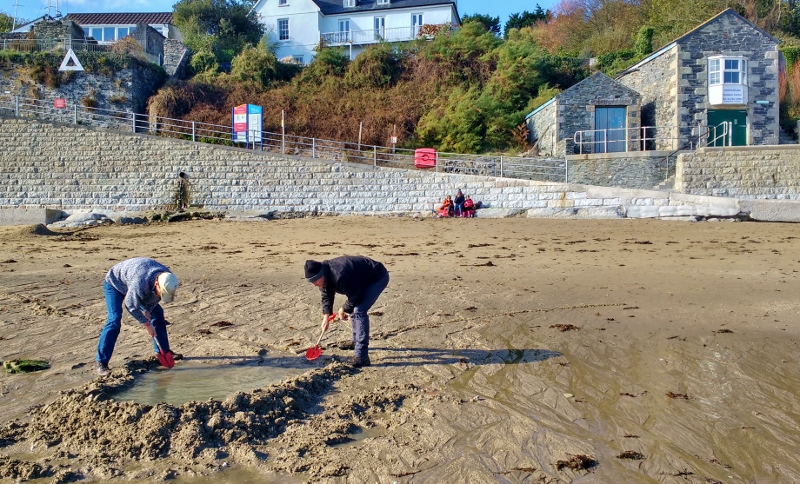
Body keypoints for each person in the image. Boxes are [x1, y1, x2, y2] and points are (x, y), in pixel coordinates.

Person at [95, 257, 180, 376]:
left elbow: (153, 300)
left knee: (158, 314)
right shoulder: (140, 282)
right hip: (115, 283)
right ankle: (101, 363)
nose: (160, 296)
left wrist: (147, 312)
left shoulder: (167, 278)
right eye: (161, 293)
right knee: (114, 319)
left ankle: (163, 351)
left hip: (137, 280)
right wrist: (146, 323)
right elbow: (130, 306)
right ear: (157, 284)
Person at [304, 256, 389, 368]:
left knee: (359, 310)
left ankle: (361, 357)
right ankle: (355, 341)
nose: (314, 285)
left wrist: (343, 308)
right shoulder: (324, 275)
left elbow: (356, 296)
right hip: (360, 280)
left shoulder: (340, 275)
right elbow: (326, 295)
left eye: (314, 281)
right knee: (354, 308)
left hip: (377, 277)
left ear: (321, 275)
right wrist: (326, 316)